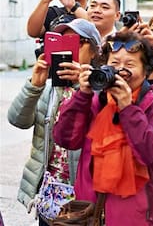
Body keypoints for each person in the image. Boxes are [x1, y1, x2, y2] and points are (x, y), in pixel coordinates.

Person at [53, 32, 153, 226]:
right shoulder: (94, 101)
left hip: (136, 218)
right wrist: (82, 95)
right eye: (114, 63)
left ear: (146, 72)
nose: (120, 71)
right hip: (89, 213)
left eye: (130, 65)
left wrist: (128, 108)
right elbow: (65, 139)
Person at [7, 19, 101, 226]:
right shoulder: (50, 88)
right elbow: (17, 120)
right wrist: (34, 85)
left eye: (77, 41)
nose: (71, 47)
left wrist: (84, 86)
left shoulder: (101, 88)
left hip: (84, 191)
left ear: (95, 50)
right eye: (63, 41)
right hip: (50, 190)